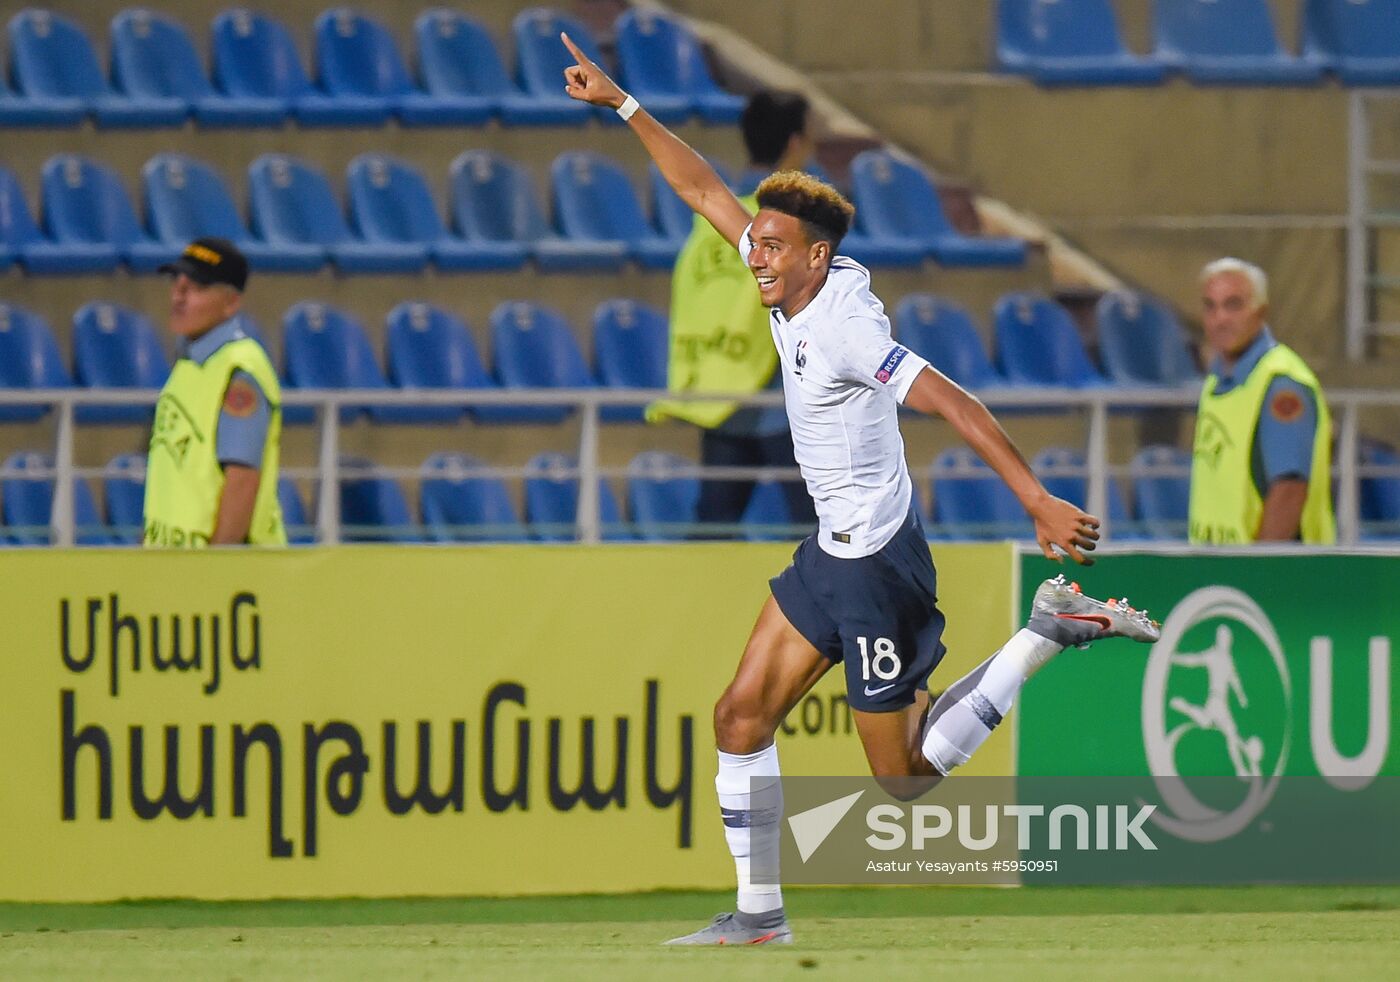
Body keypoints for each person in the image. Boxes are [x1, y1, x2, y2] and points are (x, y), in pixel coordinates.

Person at [560, 35, 1160, 945]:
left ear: (817, 256)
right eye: (753, 243)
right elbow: (702, 193)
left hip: (879, 563)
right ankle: (759, 916)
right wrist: (625, 106)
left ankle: (1044, 633)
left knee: (905, 779)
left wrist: (1035, 498)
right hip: (829, 552)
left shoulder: (844, 326)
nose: (753, 256)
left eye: (770, 247)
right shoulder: (787, 276)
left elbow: (951, 401)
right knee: (739, 714)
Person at [647, 91, 817, 536]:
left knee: (712, 527)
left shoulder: (708, 226)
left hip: (719, 391)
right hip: (777, 399)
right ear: (795, 145)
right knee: (820, 529)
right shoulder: (794, 225)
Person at [143, 237, 286, 547]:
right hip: (175, 567)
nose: (179, 296)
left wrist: (216, 572)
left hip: (220, 573)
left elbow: (242, 479)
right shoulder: (189, 364)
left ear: (231, 303)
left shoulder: (239, 370)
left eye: (196, 287)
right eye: (176, 284)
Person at [1189, 258, 1334, 545]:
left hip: (1267, 578)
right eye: (1210, 306)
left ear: (1261, 311)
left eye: (1233, 305)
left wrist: (1258, 572)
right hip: (1219, 570)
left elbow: (1289, 491)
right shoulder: (1217, 380)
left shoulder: (1281, 384)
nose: (1220, 319)